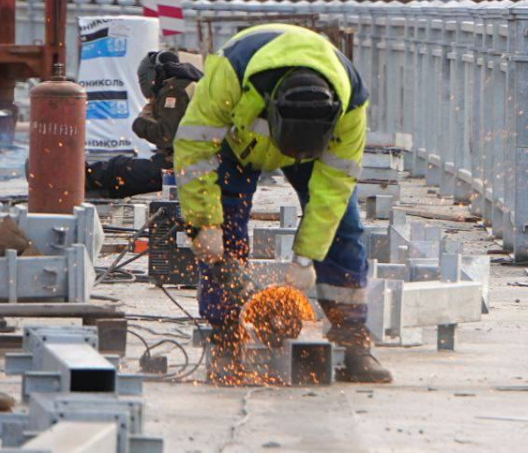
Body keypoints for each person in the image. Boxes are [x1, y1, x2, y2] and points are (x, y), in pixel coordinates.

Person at [173, 23, 391, 384]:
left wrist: (306, 257)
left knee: (345, 228)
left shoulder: (351, 102)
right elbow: (194, 151)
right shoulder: (230, 74)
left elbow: (333, 190)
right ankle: (226, 337)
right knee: (226, 229)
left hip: (314, 154)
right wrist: (204, 224)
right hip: (236, 146)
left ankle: (353, 341)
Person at [85, 51, 202, 199]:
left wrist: (141, 122)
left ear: (151, 76)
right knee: (119, 170)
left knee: (117, 169)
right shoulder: (189, 84)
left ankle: (73, 181)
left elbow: (166, 136)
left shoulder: (174, 90)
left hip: (183, 166)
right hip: (191, 162)